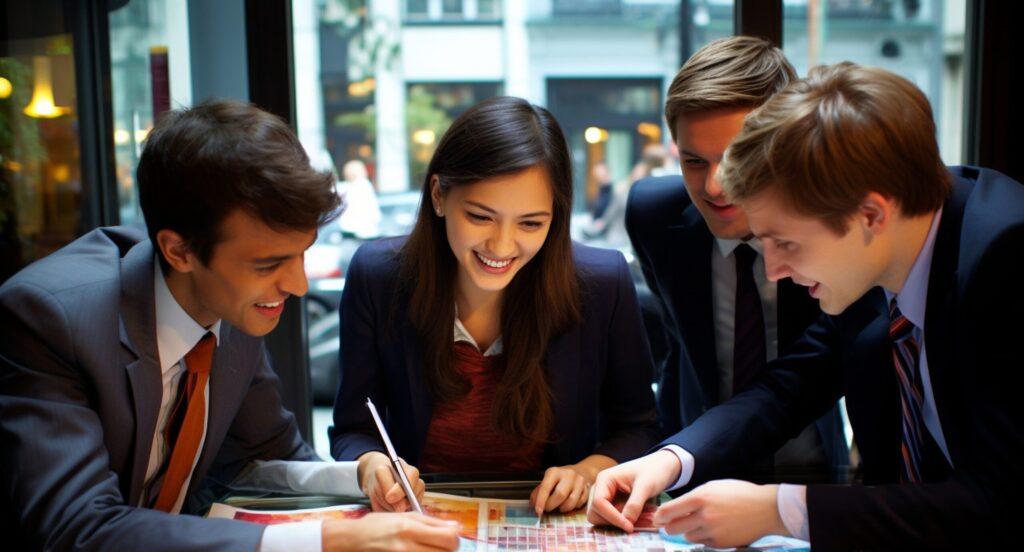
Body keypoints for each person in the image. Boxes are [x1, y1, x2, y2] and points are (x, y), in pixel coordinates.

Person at [589, 63, 1022, 549]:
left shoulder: (1008, 260)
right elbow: (789, 385)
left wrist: (780, 509)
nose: (772, 269)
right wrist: (669, 460)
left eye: (785, 243)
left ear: (870, 215)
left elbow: (1005, 503)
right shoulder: (886, 250)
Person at [0, 100, 459, 551]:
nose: (298, 285)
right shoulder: (50, 317)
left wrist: (361, 473)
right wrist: (329, 539)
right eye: (270, 264)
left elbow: (262, 458)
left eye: (301, 253)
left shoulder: (229, 304)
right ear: (179, 251)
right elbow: (78, 528)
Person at [330, 96, 661, 517]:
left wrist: (589, 470)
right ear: (438, 195)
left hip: (550, 526)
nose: (502, 247)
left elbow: (639, 425)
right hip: (420, 522)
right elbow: (353, 429)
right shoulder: (379, 277)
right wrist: (372, 465)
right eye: (481, 217)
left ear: (555, 217)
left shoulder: (602, 283)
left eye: (530, 223)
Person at [625, 36, 848, 483]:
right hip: (690, 471)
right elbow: (676, 349)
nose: (713, 187)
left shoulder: (834, 229)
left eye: (737, 159)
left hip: (811, 473)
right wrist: (669, 455)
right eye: (693, 161)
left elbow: (814, 369)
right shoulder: (654, 217)